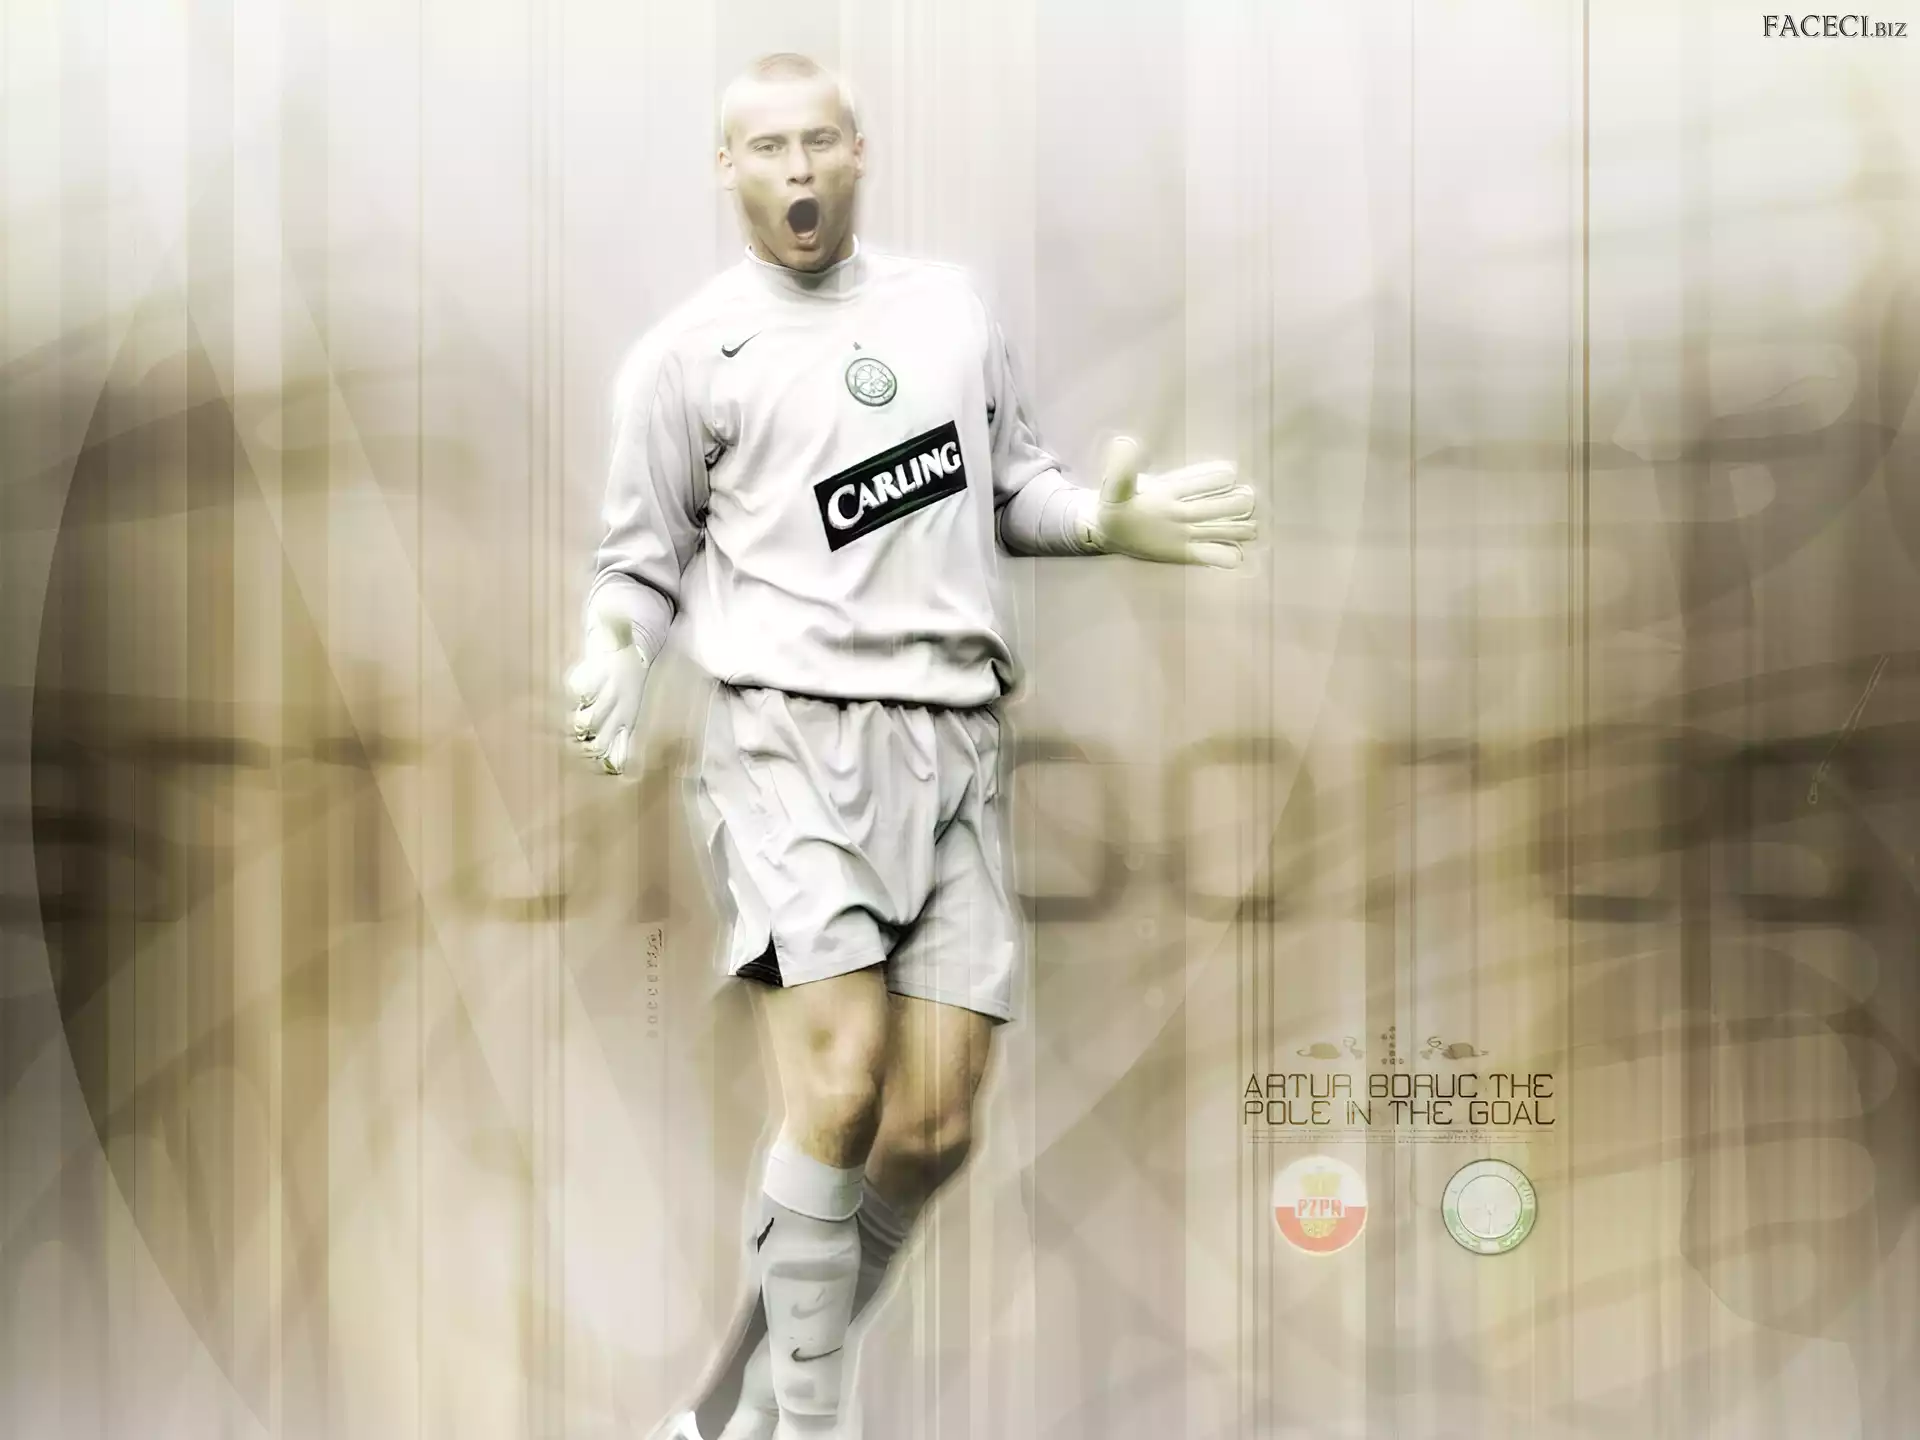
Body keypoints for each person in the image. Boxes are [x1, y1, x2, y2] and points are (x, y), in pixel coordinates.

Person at [566, 52, 1258, 1440]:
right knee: (836, 1088)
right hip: (787, 743)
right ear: (728, 168)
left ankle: (729, 1408)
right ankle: (809, 1423)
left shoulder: (945, 313)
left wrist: (1102, 522)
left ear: (859, 151)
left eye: (820, 141)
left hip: (955, 746)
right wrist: (615, 652)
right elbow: (638, 564)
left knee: (932, 1127)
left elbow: (1015, 484)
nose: (799, 169)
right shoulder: (690, 358)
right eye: (769, 147)